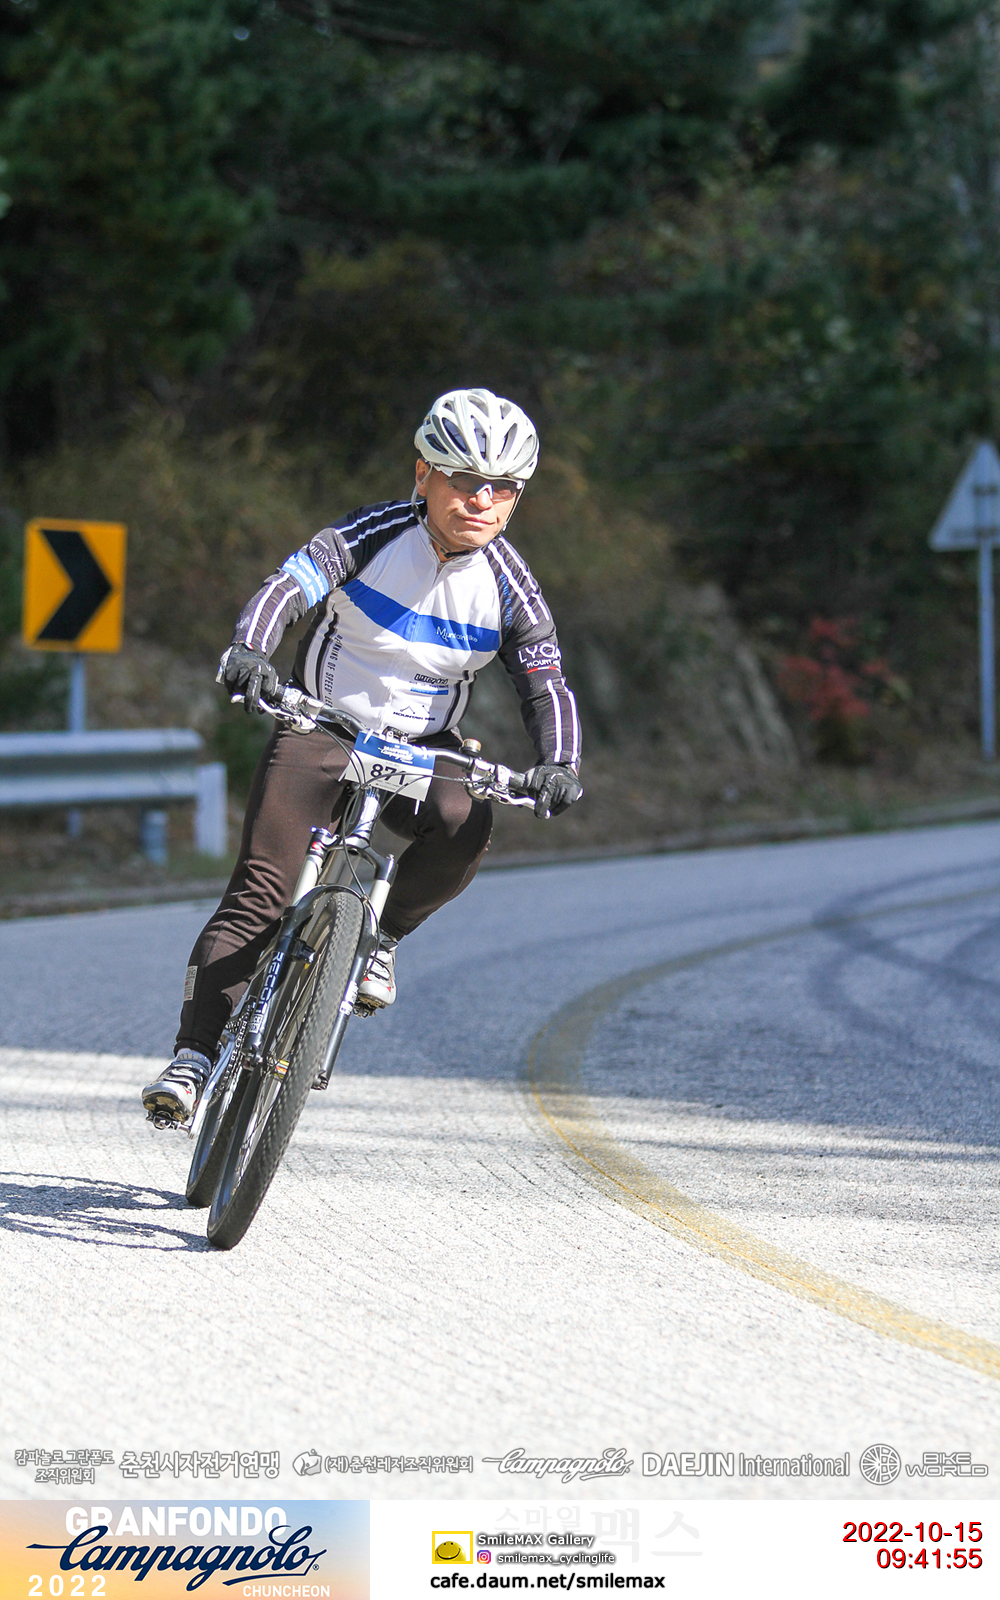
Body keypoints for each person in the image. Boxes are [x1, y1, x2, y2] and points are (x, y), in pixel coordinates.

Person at [142, 388, 583, 1127]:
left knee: (466, 823)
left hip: (424, 747)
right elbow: (287, 588)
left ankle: (383, 935)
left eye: (503, 488)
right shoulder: (370, 535)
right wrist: (250, 651)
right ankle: (193, 1057)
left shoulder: (511, 586)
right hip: (322, 725)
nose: (482, 500)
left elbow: (547, 683)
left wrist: (560, 763)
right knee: (260, 894)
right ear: (423, 475)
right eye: (464, 479)